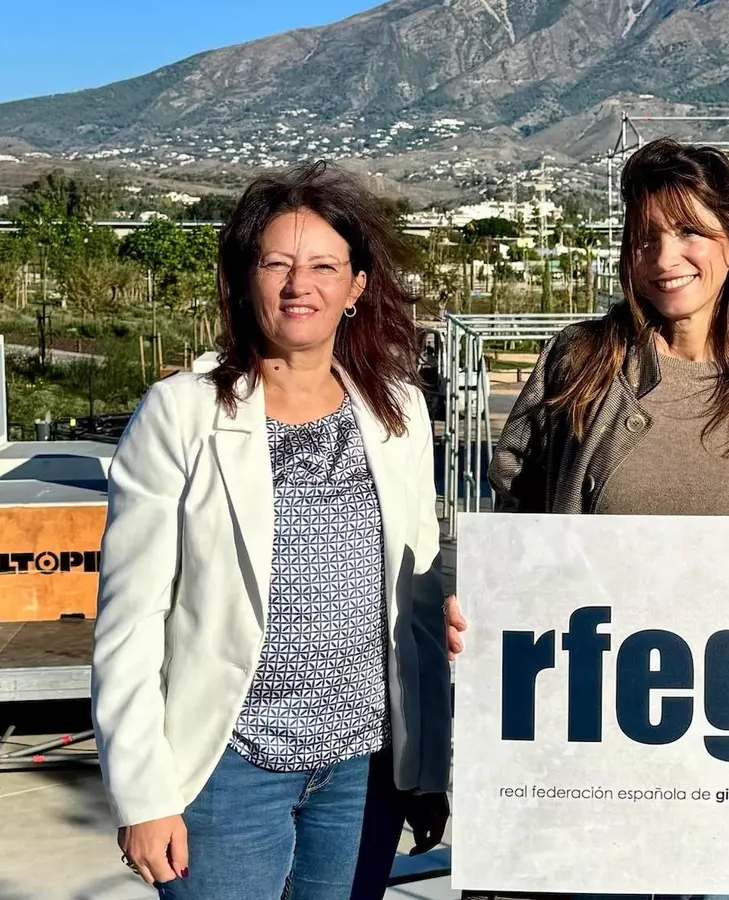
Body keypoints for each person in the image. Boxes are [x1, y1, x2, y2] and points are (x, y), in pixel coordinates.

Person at [475, 137, 729, 900]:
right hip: (591, 724)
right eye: (645, 238)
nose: (664, 257)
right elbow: (513, 517)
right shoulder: (580, 365)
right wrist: (482, 601)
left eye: (688, 233)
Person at [92, 161, 460, 900]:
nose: (300, 285)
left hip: (364, 770)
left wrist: (428, 767)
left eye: (324, 266)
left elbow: (418, 605)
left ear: (356, 287)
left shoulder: (397, 410)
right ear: (244, 279)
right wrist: (142, 795)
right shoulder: (182, 413)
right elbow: (130, 619)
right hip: (225, 770)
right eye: (276, 264)